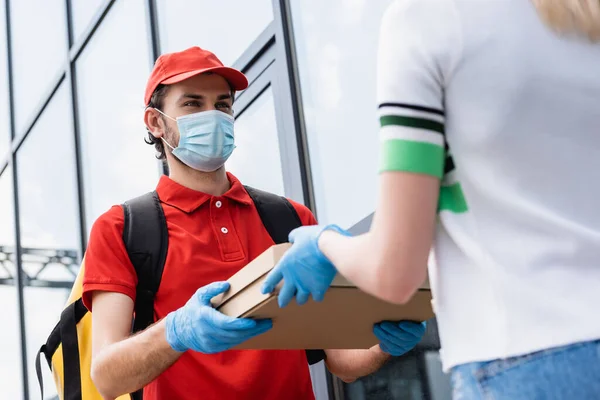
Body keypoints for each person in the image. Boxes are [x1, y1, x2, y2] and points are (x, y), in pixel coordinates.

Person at [261, 0, 600, 398]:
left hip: (525, 358)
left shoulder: (429, 20)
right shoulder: (583, 18)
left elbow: (394, 272)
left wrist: (323, 244)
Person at [83, 46, 426, 400]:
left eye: (222, 105)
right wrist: (177, 330)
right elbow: (107, 378)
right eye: (192, 103)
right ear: (156, 122)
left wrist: (383, 344)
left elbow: (340, 359)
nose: (212, 115)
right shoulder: (122, 228)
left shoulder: (291, 220)